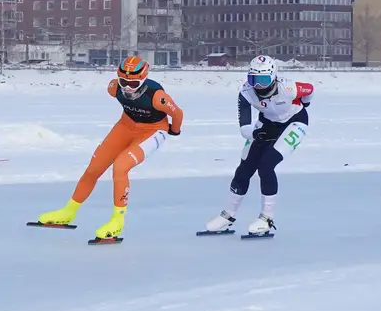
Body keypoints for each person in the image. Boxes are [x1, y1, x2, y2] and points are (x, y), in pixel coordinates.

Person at [36, 56, 183, 241]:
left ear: (144, 79)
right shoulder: (113, 88)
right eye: (124, 82)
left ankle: (117, 221)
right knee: (94, 168)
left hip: (153, 131)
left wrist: (173, 131)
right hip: (125, 126)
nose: (128, 87)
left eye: (134, 83)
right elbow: (124, 92)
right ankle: (68, 211)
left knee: (121, 167)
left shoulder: (157, 96)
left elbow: (177, 113)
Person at [201, 55, 313, 237]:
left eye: (263, 80)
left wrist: (305, 104)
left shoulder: (289, 88)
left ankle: (267, 218)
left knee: (266, 165)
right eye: (254, 80)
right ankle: (227, 215)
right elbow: (244, 128)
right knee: (244, 168)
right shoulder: (246, 92)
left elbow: (309, 90)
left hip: (295, 122)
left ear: (274, 77)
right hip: (267, 124)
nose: (258, 86)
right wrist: (256, 133)